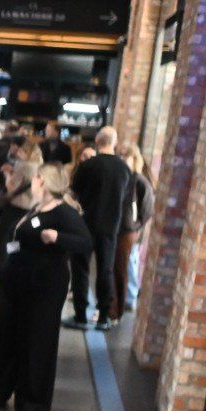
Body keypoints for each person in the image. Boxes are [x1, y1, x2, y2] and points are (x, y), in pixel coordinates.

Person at [0, 164, 93, 411]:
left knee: (37, 340)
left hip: (43, 286)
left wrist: (57, 237)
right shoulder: (37, 208)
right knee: (6, 338)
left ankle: (32, 399)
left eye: (37, 177)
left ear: (45, 182)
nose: (33, 181)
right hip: (16, 282)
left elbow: (85, 243)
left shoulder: (64, 212)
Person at [68, 125, 133, 329]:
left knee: (80, 269)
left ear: (97, 142)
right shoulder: (124, 169)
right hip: (111, 226)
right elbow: (126, 199)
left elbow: (74, 193)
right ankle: (104, 316)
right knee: (106, 270)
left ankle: (80, 315)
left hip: (85, 224)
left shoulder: (88, 166)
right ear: (115, 143)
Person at [113, 142, 154, 321]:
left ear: (134, 158)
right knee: (116, 266)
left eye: (126, 155)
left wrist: (135, 226)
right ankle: (115, 305)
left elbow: (147, 209)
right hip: (116, 228)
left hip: (128, 231)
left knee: (125, 265)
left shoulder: (139, 181)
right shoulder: (120, 178)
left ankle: (123, 304)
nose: (122, 158)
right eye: (120, 155)